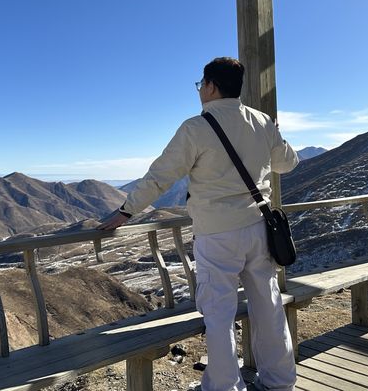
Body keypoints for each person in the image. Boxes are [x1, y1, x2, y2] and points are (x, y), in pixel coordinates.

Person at [97, 57, 298, 391]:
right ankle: (280, 382)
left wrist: (126, 211)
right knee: (269, 304)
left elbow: (160, 177)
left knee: (219, 313)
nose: (199, 91)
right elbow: (287, 164)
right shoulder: (262, 121)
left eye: (200, 85)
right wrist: (276, 133)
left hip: (217, 234)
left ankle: (223, 386)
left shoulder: (195, 128)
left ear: (210, 86)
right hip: (258, 228)